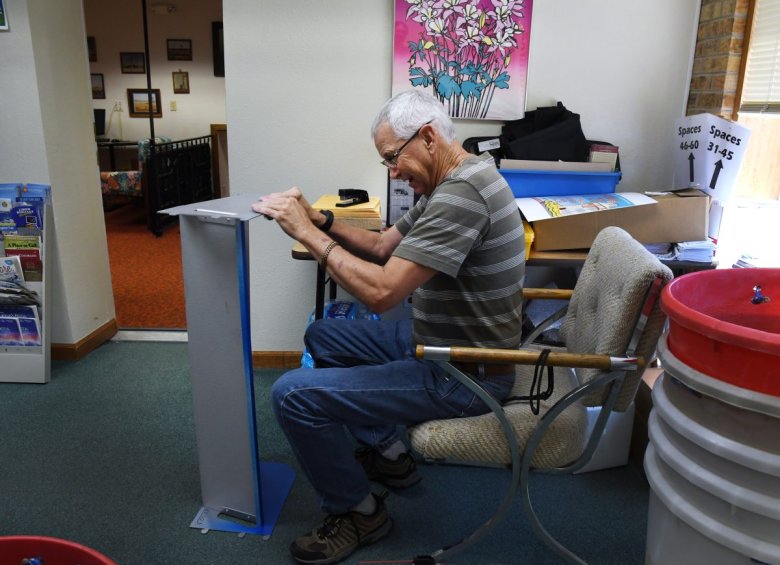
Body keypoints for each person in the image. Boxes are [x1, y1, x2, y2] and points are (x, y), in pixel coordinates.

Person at [251, 89, 525, 564]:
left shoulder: (462, 195)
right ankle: (389, 454)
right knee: (323, 333)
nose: (393, 172)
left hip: (462, 374)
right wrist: (323, 217)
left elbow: (381, 292)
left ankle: (360, 512)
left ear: (428, 138)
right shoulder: (456, 178)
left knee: (292, 394)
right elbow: (382, 247)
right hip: (438, 341)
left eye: (393, 158)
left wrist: (306, 233)